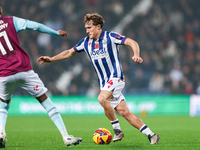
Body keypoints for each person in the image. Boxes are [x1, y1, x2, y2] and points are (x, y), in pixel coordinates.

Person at [38, 13, 160, 144]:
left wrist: (136, 55)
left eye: (89, 27)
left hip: (116, 78)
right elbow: (69, 52)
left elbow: (131, 42)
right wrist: (51, 59)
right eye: (86, 28)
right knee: (124, 112)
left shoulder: (110, 36)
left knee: (101, 98)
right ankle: (151, 134)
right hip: (104, 84)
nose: (87, 30)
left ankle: (117, 130)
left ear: (98, 27)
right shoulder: (86, 42)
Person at [0, 6, 82, 148]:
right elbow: (35, 25)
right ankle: (66, 136)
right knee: (45, 101)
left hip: (4, 74)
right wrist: (56, 32)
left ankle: (1, 133)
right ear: (0, 11)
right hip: (23, 69)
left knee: (3, 105)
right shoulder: (11, 21)